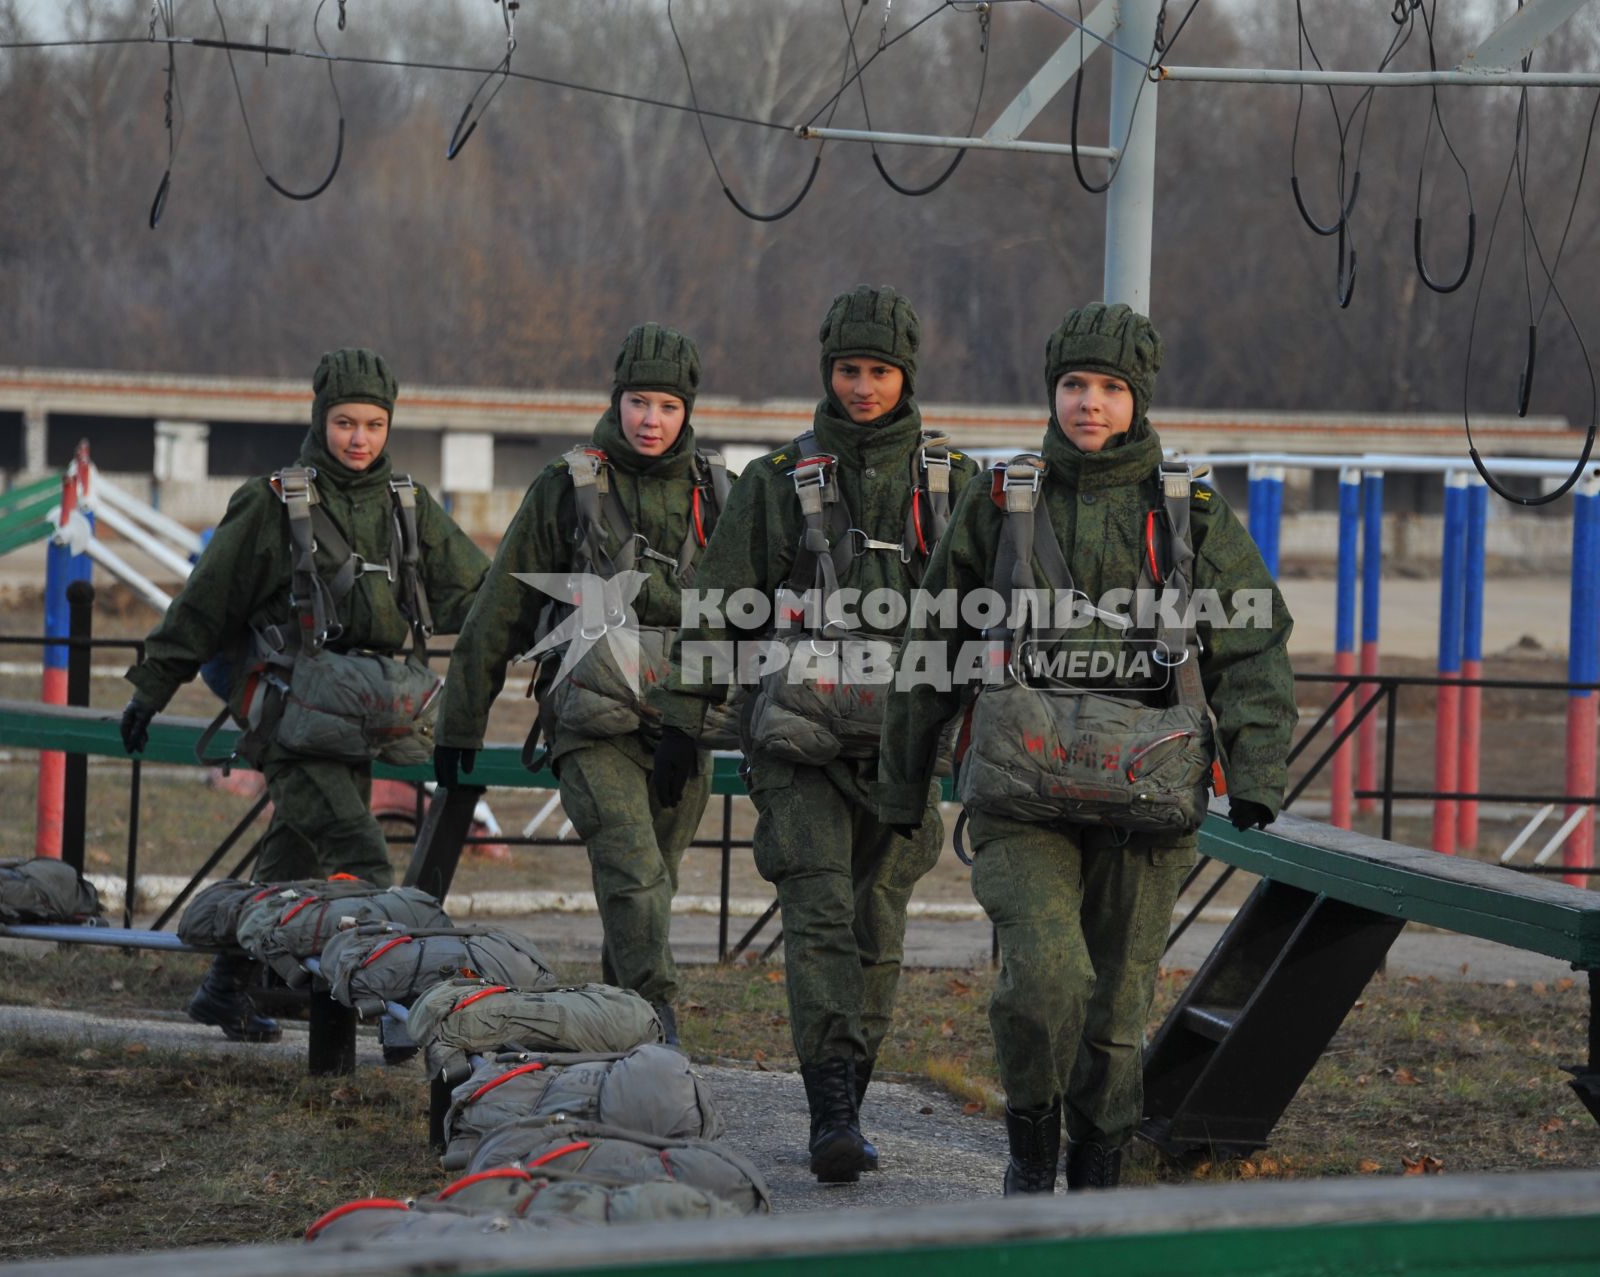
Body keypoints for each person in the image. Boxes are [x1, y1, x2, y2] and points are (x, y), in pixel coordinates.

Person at [878, 303, 1296, 1193]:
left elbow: (1252, 643)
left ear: (1138, 398)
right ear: (1053, 391)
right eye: (1075, 384)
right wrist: (899, 777)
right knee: (1043, 978)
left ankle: (1098, 1173)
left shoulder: (1188, 511)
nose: (1090, 403)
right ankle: (1032, 1150)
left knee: (1113, 1007)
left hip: (1147, 797)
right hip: (1020, 794)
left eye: (1110, 387)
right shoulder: (1002, 499)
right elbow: (934, 641)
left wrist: (1257, 771)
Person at [647, 285, 976, 1183]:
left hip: (905, 753)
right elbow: (715, 603)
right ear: (826, 371)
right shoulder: (775, 482)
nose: (862, 385)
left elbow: (999, 617)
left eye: (878, 370)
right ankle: (831, 1110)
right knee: (822, 916)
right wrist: (683, 720)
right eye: (847, 369)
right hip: (795, 746)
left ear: (906, 374)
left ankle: (852, 1095)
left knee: (878, 926)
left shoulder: (957, 485)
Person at [119, 348, 489, 1041]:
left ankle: (226, 986)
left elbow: (477, 595)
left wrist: (541, 622)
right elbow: (204, 603)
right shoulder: (271, 502)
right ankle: (373, 1014)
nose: (359, 438)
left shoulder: (407, 504)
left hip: (362, 721)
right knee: (365, 861)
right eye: (345, 422)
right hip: (290, 720)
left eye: (374, 424)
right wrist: (150, 689)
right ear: (320, 419)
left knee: (293, 860)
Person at [432, 323, 728, 1047]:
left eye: (666, 405)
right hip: (589, 727)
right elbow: (499, 605)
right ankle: (658, 1028)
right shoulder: (569, 485)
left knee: (652, 884)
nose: (650, 420)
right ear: (616, 400)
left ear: (687, 409)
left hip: (680, 728)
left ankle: (614, 1036)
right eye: (637, 402)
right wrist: (460, 723)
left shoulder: (721, 494)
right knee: (635, 879)